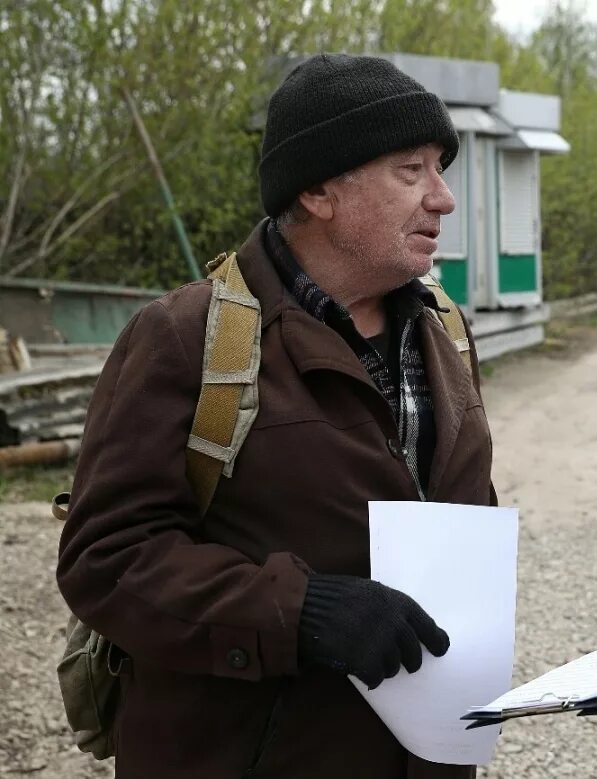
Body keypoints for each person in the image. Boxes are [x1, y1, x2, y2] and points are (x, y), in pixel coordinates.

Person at [57, 54, 493, 778]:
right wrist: (302, 611)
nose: (443, 198)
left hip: (428, 754)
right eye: (411, 170)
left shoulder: (446, 330)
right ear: (319, 188)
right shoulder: (185, 336)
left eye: (440, 169)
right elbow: (106, 559)